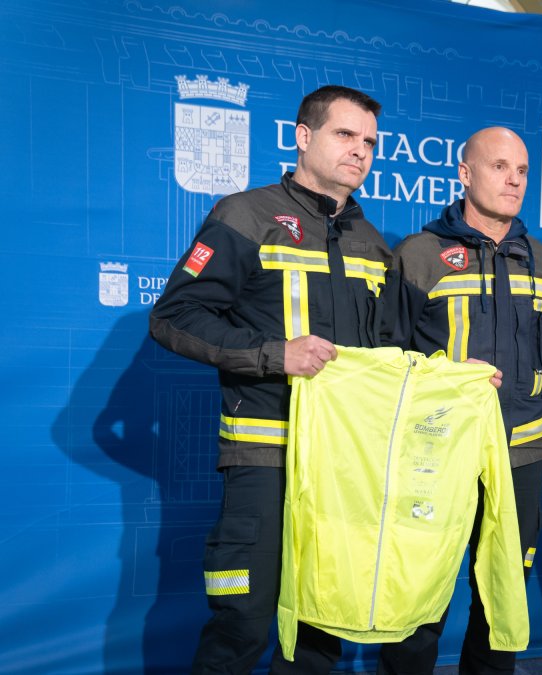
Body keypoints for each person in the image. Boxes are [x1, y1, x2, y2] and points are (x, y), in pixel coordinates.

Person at [149, 85, 390, 674]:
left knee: (319, 628)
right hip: (265, 456)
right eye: (344, 134)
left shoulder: (372, 243)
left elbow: (391, 355)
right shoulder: (246, 215)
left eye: (369, 142)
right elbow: (173, 318)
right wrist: (273, 355)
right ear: (303, 137)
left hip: (341, 466)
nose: (359, 150)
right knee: (243, 623)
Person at [378, 126, 542, 675]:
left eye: (523, 170)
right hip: (437, 455)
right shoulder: (419, 254)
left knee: (501, 601)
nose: (513, 180)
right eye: (500, 166)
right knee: (420, 600)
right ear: (464, 173)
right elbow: (386, 362)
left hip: (520, 455)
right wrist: (446, 378)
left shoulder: (541, 260)